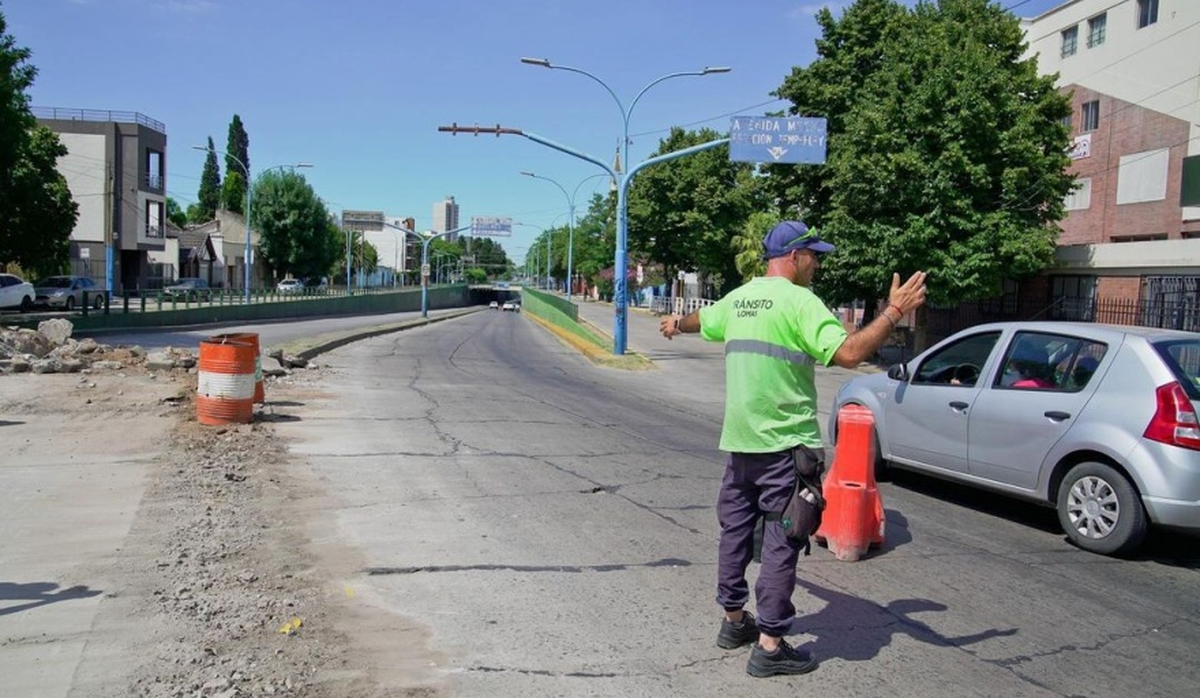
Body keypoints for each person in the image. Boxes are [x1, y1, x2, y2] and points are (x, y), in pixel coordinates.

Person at [659, 220, 926, 678]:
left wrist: (673, 325)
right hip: (787, 451)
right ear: (795, 257)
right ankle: (770, 644)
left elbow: (702, 319)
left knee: (735, 533)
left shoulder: (740, 297)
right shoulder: (801, 302)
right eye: (814, 255)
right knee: (784, 541)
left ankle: (733, 621)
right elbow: (847, 354)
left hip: (741, 445)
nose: (817, 263)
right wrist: (892, 313)